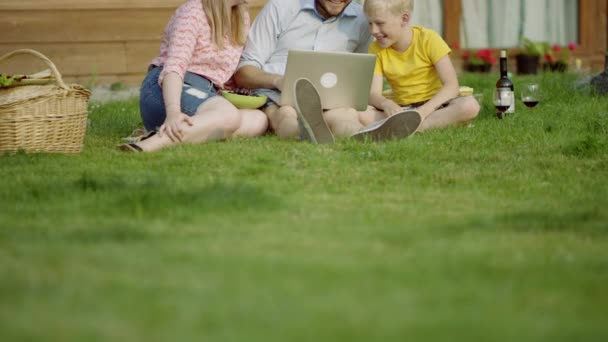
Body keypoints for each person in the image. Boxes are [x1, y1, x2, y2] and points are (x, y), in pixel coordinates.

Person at [120, 0, 268, 152]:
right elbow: (174, 67)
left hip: (206, 93)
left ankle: (180, 134)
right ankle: (149, 145)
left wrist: (240, 93)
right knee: (228, 114)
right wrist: (173, 112)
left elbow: (224, 73)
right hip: (167, 88)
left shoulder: (240, 16)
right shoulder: (193, 12)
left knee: (258, 120)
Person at [233, 0, 381, 143]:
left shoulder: (362, 21)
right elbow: (244, 71)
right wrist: (278, 81)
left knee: (346, 118)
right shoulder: (281, 6)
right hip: (278, 98)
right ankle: (302, 136)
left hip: (331, 102)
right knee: (286, 114)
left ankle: (365, 136)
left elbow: (362, 72)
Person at [351, 0, 479, 141]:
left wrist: (422, 113)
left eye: (380, 23)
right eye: (370, 23)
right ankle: (424, 125)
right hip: (403, 110)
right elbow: (373, 94)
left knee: (469, 105)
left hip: (436, 107)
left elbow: (451, 86)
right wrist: (386, 103)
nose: (373, 30)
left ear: (404, 19)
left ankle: (414, 127)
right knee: (360, 114)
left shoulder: (429, 39)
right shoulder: (376, 49)